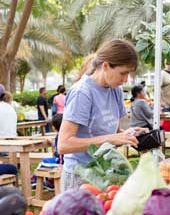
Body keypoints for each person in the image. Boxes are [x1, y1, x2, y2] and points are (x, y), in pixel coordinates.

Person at [58, 39, 147, 191]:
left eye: (128, 74)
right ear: (105, 66)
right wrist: (111, 139)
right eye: (123, 73)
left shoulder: (115, 90)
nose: (125, 79)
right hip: (80, 176)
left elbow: (112, 133)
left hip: (105, 173)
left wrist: (127, 134)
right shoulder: (82, 92)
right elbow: (64, 145)